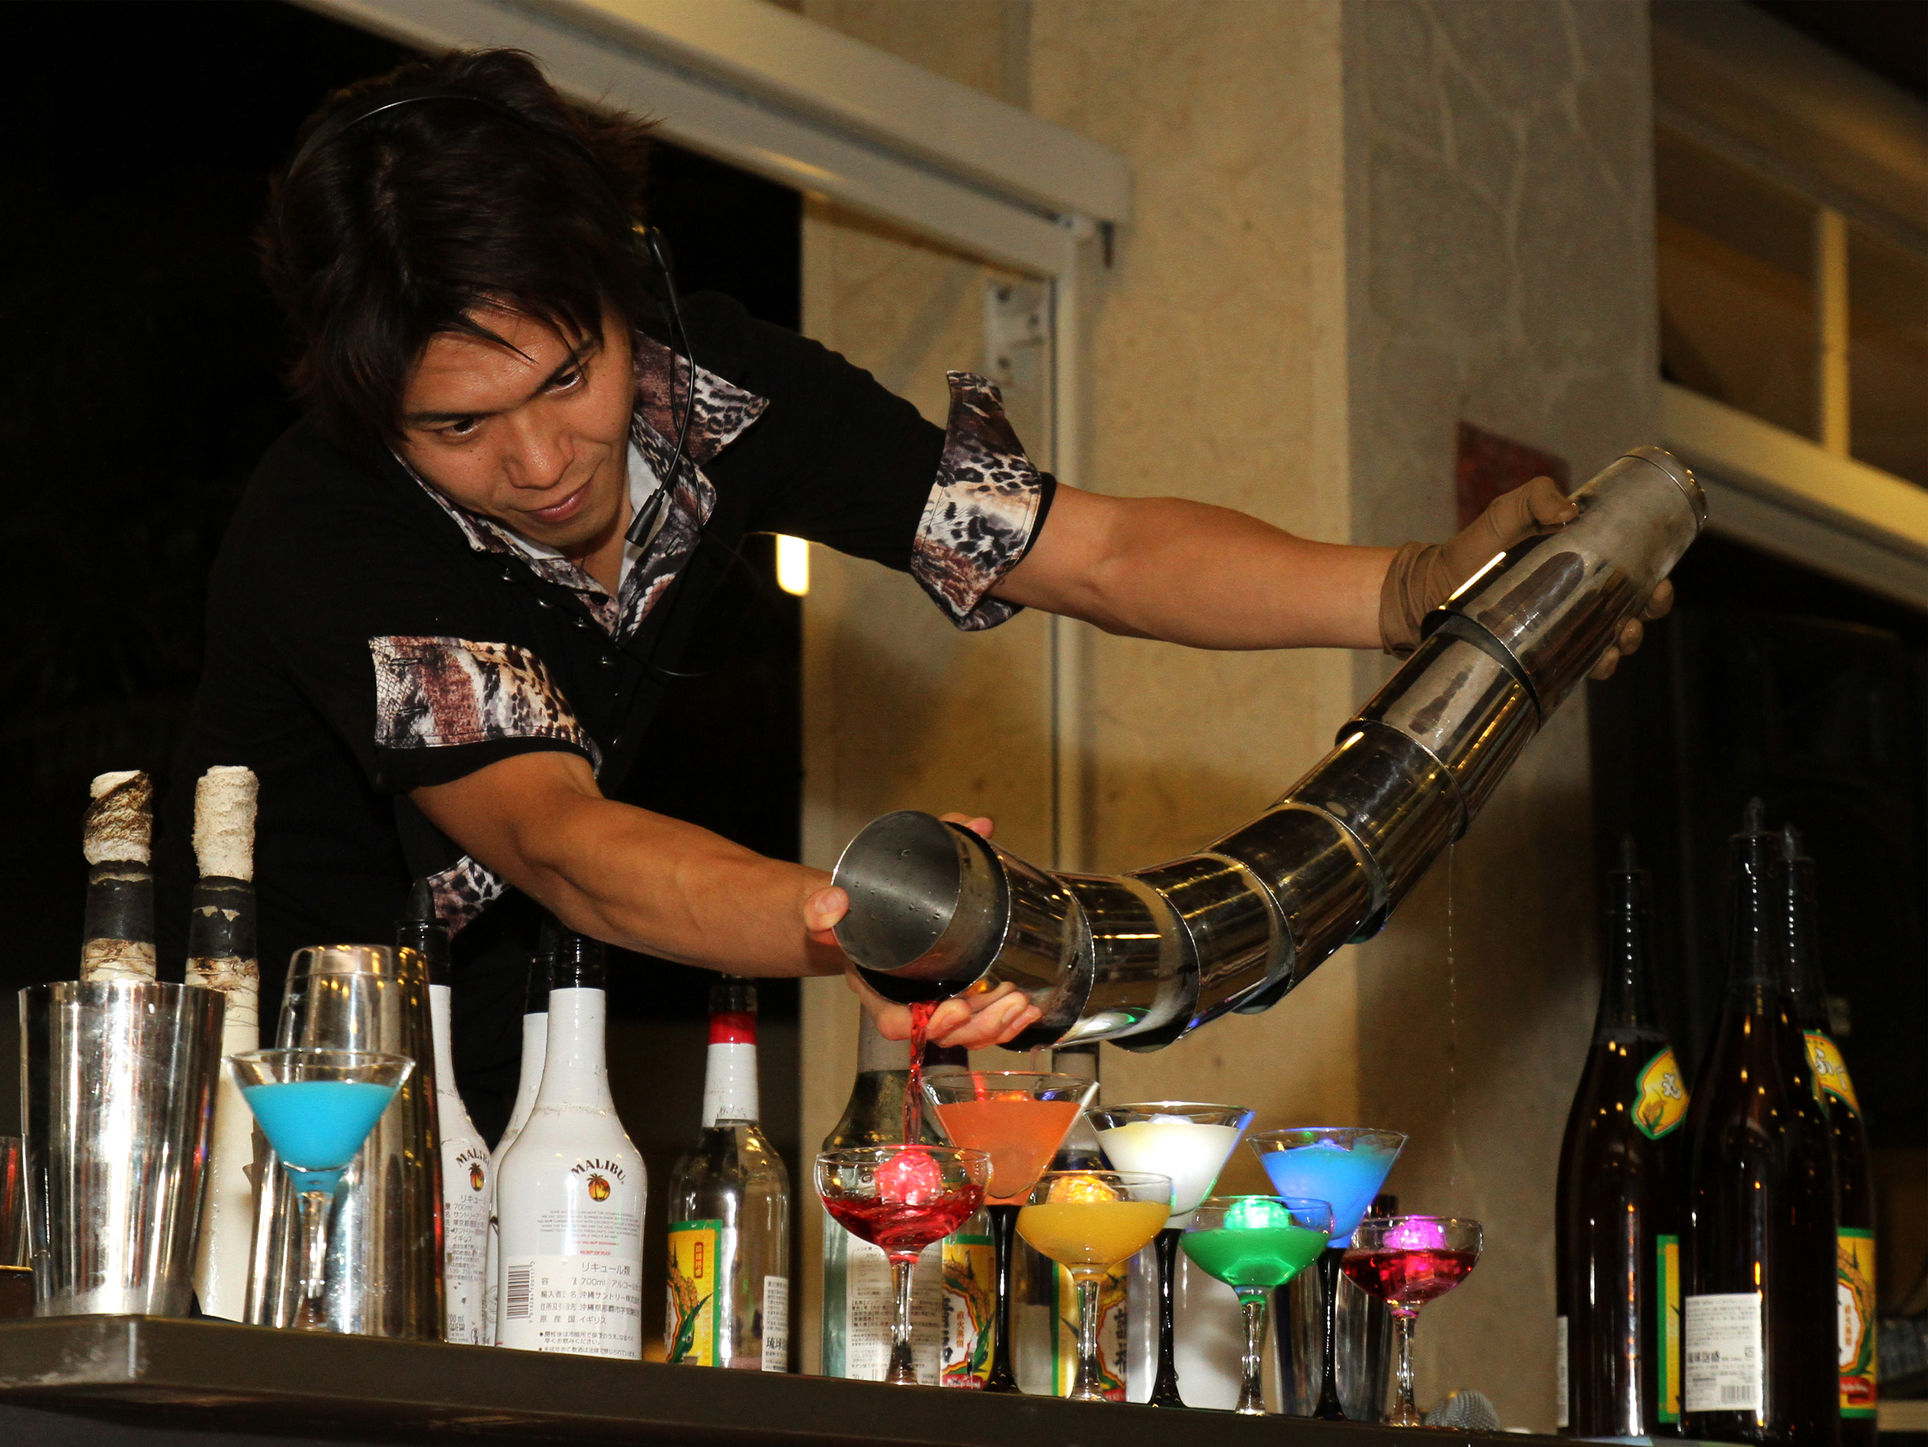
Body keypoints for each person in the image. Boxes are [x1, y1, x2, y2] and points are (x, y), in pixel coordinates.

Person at [168, 49, 1667, 1127]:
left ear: (628, 293)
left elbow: (1091, 549)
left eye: (569, 376)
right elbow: (564, 846)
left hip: (502, 1056)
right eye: (459, 428)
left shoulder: (719, 388)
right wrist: (868, 920)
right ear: (374, 417)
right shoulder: (333, 525)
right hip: (259, 1079)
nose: (543, 458)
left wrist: (1415, 586)